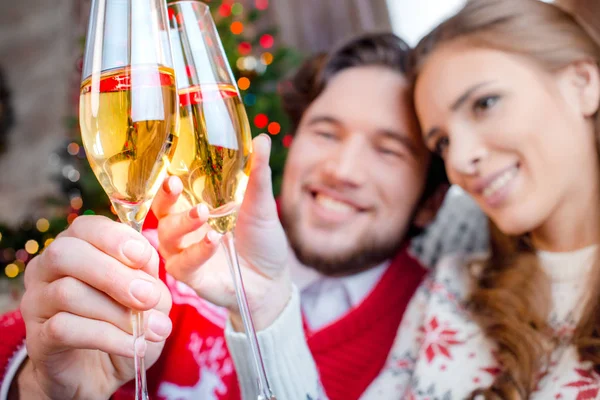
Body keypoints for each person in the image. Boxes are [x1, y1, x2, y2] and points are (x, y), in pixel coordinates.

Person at [0, 33, 448, 400]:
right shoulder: (175, 237)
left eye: (389, 150)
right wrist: (39, 388)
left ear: (431, 201)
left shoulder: (441, 333)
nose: (340, 170)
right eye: (326, 132)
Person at [224, 0, 600, 398]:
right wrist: (263, 306)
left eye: (485, 103)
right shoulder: (454, 290)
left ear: (582, 84)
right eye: (442, 142)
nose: (459, 160)